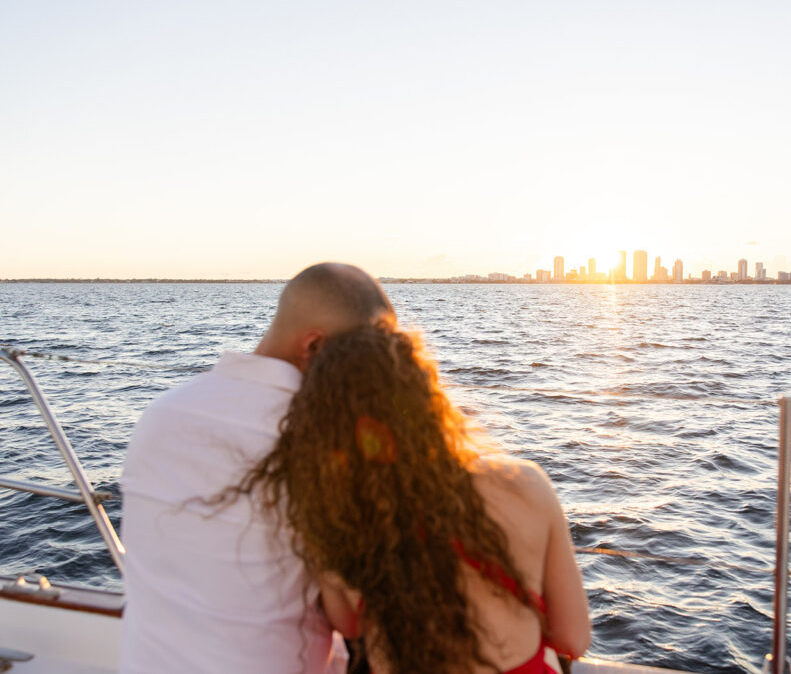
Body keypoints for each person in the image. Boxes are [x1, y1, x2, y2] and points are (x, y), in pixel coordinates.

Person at [228, 314, 591, 673]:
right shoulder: (524, 485)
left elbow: (350, 627)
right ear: (428, 401)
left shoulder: (337, 519)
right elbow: (573, 639)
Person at [119, 263, 394, 673]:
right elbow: (353, 619)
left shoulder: (160, 414)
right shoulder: (322, 444)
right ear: (314, 346)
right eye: (362, 359)